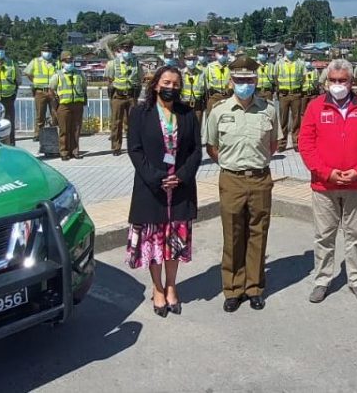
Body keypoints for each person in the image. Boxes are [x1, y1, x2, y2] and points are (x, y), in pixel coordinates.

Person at [298, 59, 357, 303]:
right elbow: (306, 144)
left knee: (355, 235)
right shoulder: (315, 107)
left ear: (351, 81)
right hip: (324, 186)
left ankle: (356, 280)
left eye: (342, 80)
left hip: (356, 184)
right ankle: (322, 280)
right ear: (326, 82)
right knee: (324, 236)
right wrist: (326, 172)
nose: (337, 85)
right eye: (333, 81)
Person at [126, 65, 202, 317]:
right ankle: (157, 288)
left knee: (174, 242)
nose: (171, 87)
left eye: (176, 84)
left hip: (180, 189)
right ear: (156, 84)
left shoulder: (188, 114)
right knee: (155, 241)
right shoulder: (140, 113)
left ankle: (172, 286)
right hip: (152, 188)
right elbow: (135, 150)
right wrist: (158, 178)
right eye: (166, 82)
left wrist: (180, 177)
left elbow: (195, 151)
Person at [205, 55, 279, 312]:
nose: (244, 83)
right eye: (239, 79)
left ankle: (254, 287)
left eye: (248, 79)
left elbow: (273, 144)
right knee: (233, 234)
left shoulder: (268, 110)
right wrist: (231, 164)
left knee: (258, 233)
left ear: (256, 80)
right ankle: (233, 288)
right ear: (231, 81)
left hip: (260, 177)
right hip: (232, 179)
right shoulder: (219, 111)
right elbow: (212, 147)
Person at [105, 37, 142, 156]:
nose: (127, 50)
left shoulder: (136, 63)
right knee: (116, 122)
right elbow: (109, 80)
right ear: (120, 49)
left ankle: (133, 146)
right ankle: (116, 147)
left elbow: (140, 78)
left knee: (132, 123)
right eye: (125, 48)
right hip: (118, 96)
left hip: (131, 96)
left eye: (129, 48)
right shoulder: (112, 64)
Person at [49, 51, 88, 161]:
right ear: (62, 62)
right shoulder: (57, 75)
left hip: (77, 105)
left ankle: (75, 151)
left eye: (71, 60)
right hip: (64, 105)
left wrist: (83, 99)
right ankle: (64, 152)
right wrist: (55, 104)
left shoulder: (79, 74)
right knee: (64, 129)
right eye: (67, 61)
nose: (69, 62)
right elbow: (51, 90)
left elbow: (84, 87)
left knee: (76, 129)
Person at [274, 38, 305, 152]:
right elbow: (275, 78)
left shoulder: (300, 63)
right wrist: (279, 91)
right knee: (283, 119)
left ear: (294, 49)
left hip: (296, 94)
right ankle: (282, 144)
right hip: (284, 95)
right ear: (284, 49)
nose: (290, 50)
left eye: (292, 48)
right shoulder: (279, 63)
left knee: (296, 120)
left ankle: (296, 142)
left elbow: (304, 78)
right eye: (288, 48)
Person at [24, 42, 57, 141]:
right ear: (41, 52)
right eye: (45, 51)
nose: (47, 53)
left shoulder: (55, 62)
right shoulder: (35, 61)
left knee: (55, 113)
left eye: (49, 51)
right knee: (40, 115)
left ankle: (54, 131)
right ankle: (38, 134)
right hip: (40, 91)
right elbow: (28, 73)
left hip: (52, 91)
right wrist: (35, 81)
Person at [204, 44, 233, 115]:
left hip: (228, 97)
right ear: (215, 54)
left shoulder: (231, 67)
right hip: (214, 97)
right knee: (211, 119)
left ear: (227, 53)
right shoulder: (210, 67)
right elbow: (205, 84)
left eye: (224, 53)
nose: (222, 55)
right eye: (220, 53)